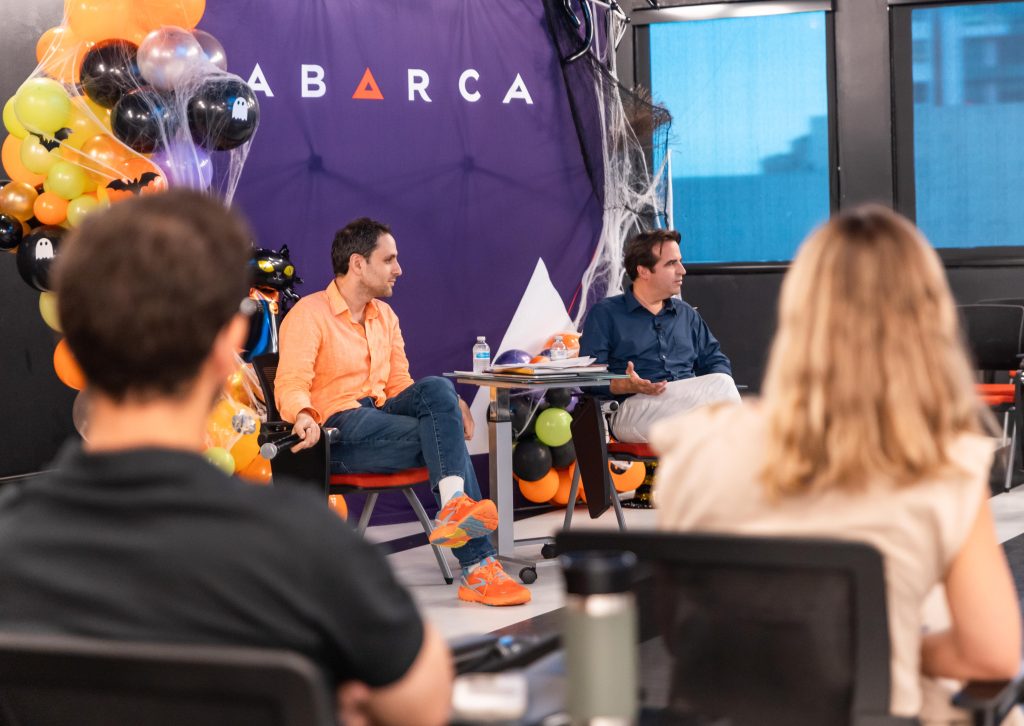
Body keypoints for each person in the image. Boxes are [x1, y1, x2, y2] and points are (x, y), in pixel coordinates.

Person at [0, 190, 452, 726]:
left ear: (76, 347)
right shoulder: (304, 545)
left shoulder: (10, 544)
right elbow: (423, 704)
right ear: (227, 349)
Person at [652, 206, 1022, 724]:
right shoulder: (944, 467)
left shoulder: (699, 446)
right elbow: (992, 657)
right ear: (928, 323)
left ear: (798, 313)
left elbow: (683, 631)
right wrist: (892, 649)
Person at [275, 217, 530, 607]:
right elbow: (290, 382)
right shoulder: (309, 314)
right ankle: (479, 567)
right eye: (389, 259)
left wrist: (450, 404)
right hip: (339, 433)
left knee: (439, 388)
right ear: (358, 264)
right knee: (443, 435)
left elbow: (399, 386)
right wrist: (303, 414)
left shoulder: (385, 317)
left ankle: (455, 507)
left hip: (381, 415)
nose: (399, 269)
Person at [579, 229, 741, 443]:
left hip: (685, 405)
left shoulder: (686, 314)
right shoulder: (606, 314)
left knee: (722, 394)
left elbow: (716, 361)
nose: (682, 270)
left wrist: (699, 391)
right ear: (644, 271)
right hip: (632, 409)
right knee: (724, 391)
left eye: (680, 262)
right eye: (672, 263)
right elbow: (588, 378)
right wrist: (625, 385)